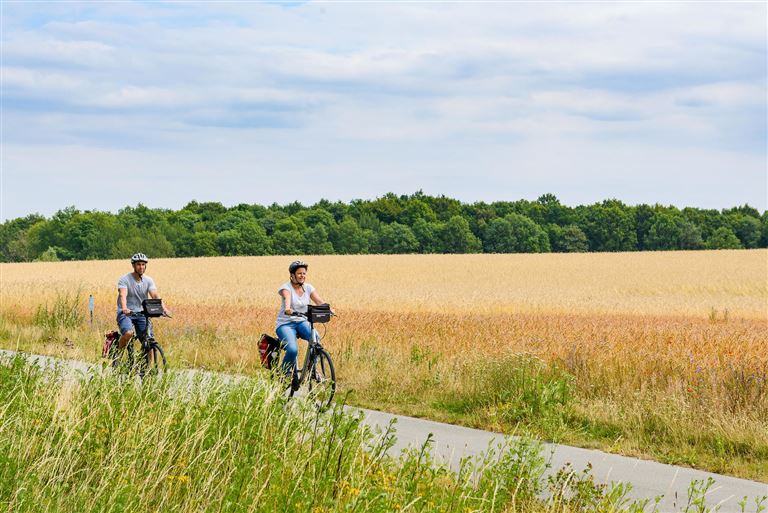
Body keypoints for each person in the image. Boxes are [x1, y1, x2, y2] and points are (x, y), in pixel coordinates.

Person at [276, 260, 331, 381]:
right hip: (286, 324)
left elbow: (319, 301)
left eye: (304, 273)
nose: (302, 276)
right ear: (292, 275)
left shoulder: (308, 288)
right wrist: (288, 308)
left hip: (302, 322)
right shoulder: (286, 288)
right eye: (299, 273)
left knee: (316, 340)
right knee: (292, 350)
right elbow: (287, 298)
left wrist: (328, 309)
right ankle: (284, 372)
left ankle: (312, 370)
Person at [116, 253, 171, 353]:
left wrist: (164, 308)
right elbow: (122, 295)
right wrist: (124, 308)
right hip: (126, 313)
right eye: (138, 264)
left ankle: (149, 363)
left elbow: (155, 295)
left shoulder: (148, 280)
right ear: (133, 265)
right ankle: (118, 354)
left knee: (148, 340)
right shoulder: (125, 279)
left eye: (143, 264)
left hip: (141, 313)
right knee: (128, 333)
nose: (141, 267)